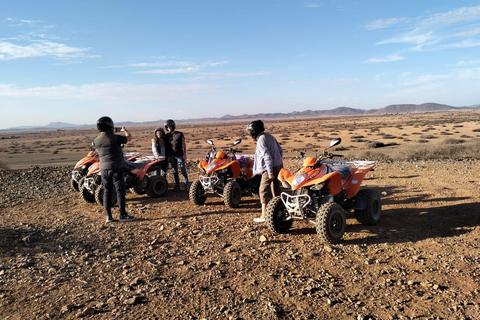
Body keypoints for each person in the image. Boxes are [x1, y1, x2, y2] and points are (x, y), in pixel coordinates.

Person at [93, 116, 135, 223]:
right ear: (110, 126)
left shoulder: (96, 140)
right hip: (116, 167)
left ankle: (109, 216)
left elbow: (94, 146)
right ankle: (123, 215)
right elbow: (129, 138)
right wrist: (125, 130)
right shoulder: (115, 138)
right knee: (120, 191)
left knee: (107, 191)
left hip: (103, 169)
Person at [247, 120, 283, 223]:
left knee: (263, 190)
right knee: (276, 189)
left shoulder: (261, 140)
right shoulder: (269, 136)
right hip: (278, 165)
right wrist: (278, 161)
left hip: (269, 168)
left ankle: (264, 215)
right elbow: (280, 150)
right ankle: (278, 211)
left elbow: (267, 157)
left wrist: (270, 172)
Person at [164, 119, 189, 190]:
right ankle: (177, 185)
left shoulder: (179, 134)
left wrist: (185, 154)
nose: (169, 127)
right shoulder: (167, 135)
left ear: (173, 126)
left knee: (183, 169)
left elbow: (184, 144)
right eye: (167, 126)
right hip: (171, 155)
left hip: (179, 154)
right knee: (175, 170)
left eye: (170, 126)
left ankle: (186, 185)